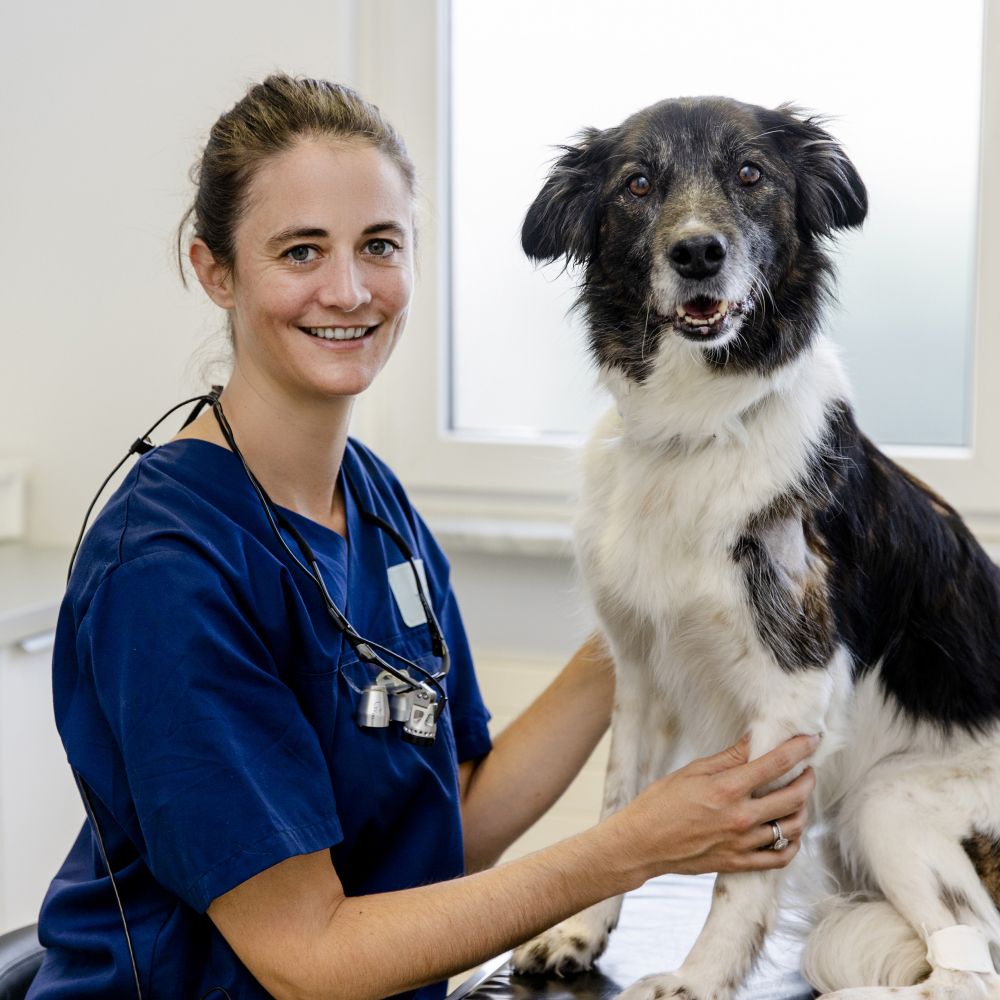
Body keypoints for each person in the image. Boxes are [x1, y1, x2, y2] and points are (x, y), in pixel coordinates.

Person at [26, 75, 816, 1000]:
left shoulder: (371, 502)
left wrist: (674, 582)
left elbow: (455, 822)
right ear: (215, 269)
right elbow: (307, 957)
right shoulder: (168, 570)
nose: (350, 290)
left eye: (379, 246)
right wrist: (630, 848)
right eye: (301, 251)